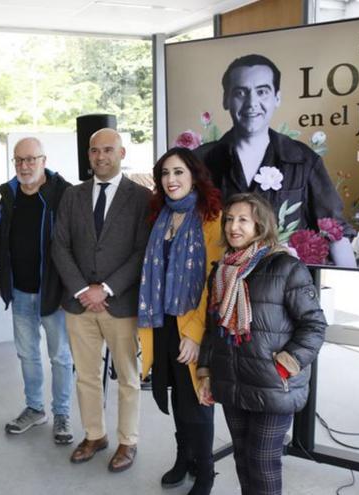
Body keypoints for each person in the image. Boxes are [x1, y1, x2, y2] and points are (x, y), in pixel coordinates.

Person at [197, 192, 326, 495]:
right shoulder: (221, 271)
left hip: (271, 385)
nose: (233, 227)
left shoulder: (286, 268)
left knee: (262, 461)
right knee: (242, 458)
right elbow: (212, 328)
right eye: (229, 219)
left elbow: (315, 325)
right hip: (232, 383)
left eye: (243, 220)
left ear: (261, 225)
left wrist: (286, 364)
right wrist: (206, 372)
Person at [193, 53, 356, 266]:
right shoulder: (200, 161)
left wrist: (349, 282)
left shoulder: (304, 160)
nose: (252, 103)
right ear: (226, 99)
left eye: (262, 92)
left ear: (277, 98)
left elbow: (334, 230)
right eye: (241, 92)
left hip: (281, 287)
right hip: (219, 281)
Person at [52, 128, 151, 472]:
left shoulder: (141, 197)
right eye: (95, 150)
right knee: (87, 376)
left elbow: (142, 252)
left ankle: (127, 441)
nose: (100, 156)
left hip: (119, 303)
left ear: (122, 154)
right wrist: (82, 289)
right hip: (79, 304)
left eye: (108, 149)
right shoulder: (72, 196)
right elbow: (59, 245)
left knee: (128, 376)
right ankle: (95, 435)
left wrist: (106, 288)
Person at [137, 148, 221, 495]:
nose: (171, 180)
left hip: (193, 325)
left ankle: (205, 472)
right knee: (176, 394)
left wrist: (197, 335)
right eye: (165, 173)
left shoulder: (211, 217)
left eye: (179, 173)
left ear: (194, 177)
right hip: (164, 323)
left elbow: (213, 283)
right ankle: (183, 457)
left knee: (197, 400)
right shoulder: (160, 216)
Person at [0, 137, 74, 444]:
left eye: (31, 159)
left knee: (60, 356)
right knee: (27, 354)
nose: (25, 165)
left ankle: (63, 414)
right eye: (19, 160)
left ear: (44, 160)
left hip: (52, 291)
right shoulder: (8, 195)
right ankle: (34, 408)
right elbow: (2, 239)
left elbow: (73, 242)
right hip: (19, 291)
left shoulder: (62, 194)